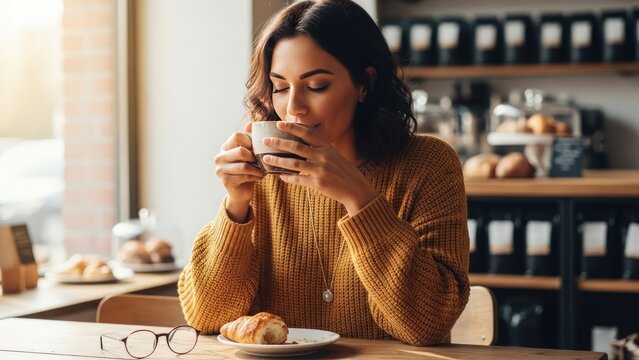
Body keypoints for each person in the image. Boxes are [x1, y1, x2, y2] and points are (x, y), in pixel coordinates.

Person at [178, 0, 469, 346]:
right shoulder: (265, 173)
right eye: (281, 87)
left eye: (316, 86)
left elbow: (428, 323)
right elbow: (208, 317)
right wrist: (235, 206)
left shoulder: (428, 163)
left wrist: (358, 197)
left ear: (364, 84)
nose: (294, 107)